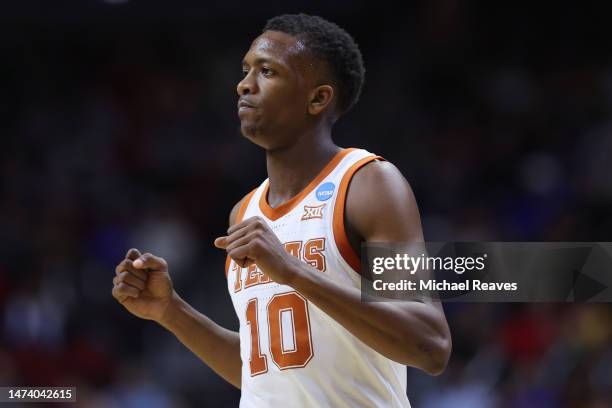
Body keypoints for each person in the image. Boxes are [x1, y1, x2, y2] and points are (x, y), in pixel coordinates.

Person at [112, 13, 451, 407]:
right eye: (246, 70)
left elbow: (431, 345)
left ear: (318, 98)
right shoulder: (244, 212)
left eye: (267, 71)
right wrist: (170, 311)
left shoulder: (369, 184)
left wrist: (293, 271)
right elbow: (266, 372)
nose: (243, 84)